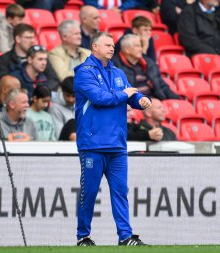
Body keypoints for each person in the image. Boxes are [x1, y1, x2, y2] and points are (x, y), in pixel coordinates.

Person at [74, 32, 151, 246]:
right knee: (89, 193)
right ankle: (83, 236)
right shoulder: (84, 73)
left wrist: (142, 99)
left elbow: (130, 94)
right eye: (108, 45)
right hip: (93, 144)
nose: (112, 48)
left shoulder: (118, 73)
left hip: (117, 144)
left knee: (120, 192)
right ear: (95, 46)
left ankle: (125, 236)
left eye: (113, 45)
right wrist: (126, 95)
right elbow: (99, 98)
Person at [112, 34, 180, 100]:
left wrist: (178, 99)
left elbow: (162, 85)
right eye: (137, 46)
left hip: (155, 100)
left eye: (141, 46)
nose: (141, 49)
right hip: (135, 103)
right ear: (127, 50)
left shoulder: (149, 63)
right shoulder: (114, 66)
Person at [0, 23, 60, 92]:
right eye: (28, 38)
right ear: (18, 39)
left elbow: (53, 80)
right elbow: (3, 84)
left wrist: (41, 92)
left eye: (33, 37)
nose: (32, 41)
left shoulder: (40, 57)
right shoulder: (4, 59)